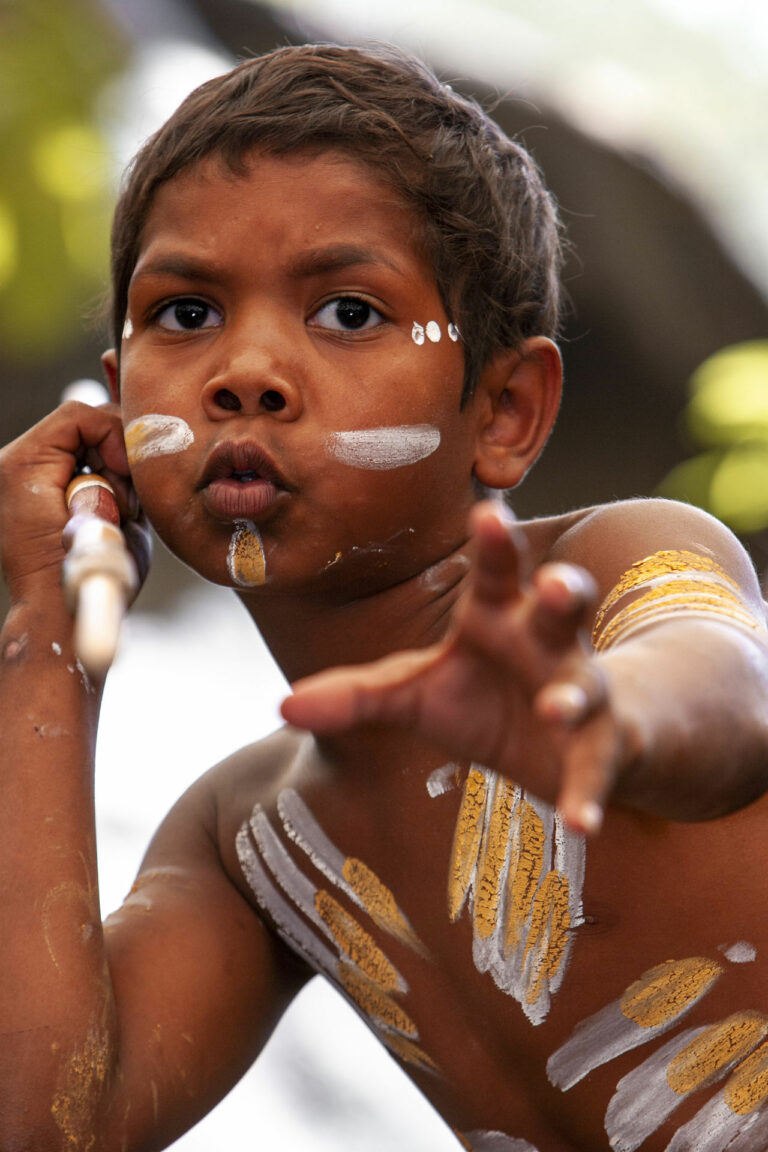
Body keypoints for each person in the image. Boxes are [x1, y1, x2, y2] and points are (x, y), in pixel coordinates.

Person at [2, 42, 768, 1152]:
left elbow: (731, 698)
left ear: (503, 410)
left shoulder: (609, 575)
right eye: (184, 314)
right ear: (119, 420)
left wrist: (602, 713)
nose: (245, 370)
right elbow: (48, 1124)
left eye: (351, 312)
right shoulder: (249, 842)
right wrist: (43, 630)